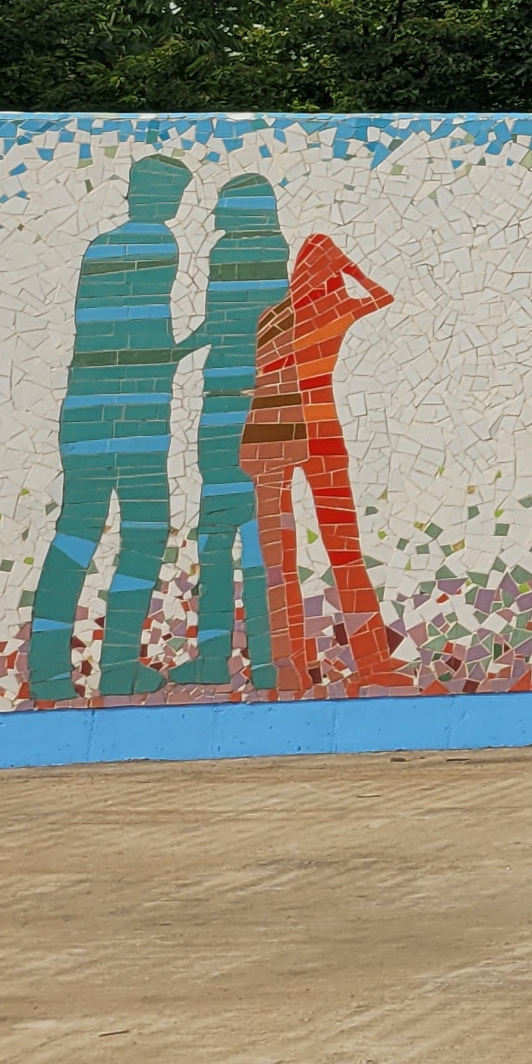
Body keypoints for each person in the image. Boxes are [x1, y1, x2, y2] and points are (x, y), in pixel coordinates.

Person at [24, 155, 193, 703]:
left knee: (76, 530)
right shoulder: (159, 243)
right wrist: (198, 341)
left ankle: (48, 670)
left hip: (83, 409)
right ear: (162, 197)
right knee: (144, 532)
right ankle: (118, 666)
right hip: (135, 414)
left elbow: (102, 334)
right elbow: (146, 344)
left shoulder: (100, 246)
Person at [239, 233, 408, 692]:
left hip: (265, 433)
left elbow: (258, 373)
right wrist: (352, 270)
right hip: (317, 431)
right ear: (331, 272)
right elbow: (381, 296)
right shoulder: (336, 310)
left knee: (279, 560)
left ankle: (289, 667)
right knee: (344, 551)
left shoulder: (272, 316)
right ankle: (371, 663)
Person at [178, 174, 292, 688]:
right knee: (258, 533)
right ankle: (266, 660)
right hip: (266, 403)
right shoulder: (276, 252)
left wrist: (176, 351)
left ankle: (214, 657)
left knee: (218, 531)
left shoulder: (231, 253)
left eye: (224, 206)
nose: (216, 214)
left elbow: (221, 323)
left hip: (228, 401)